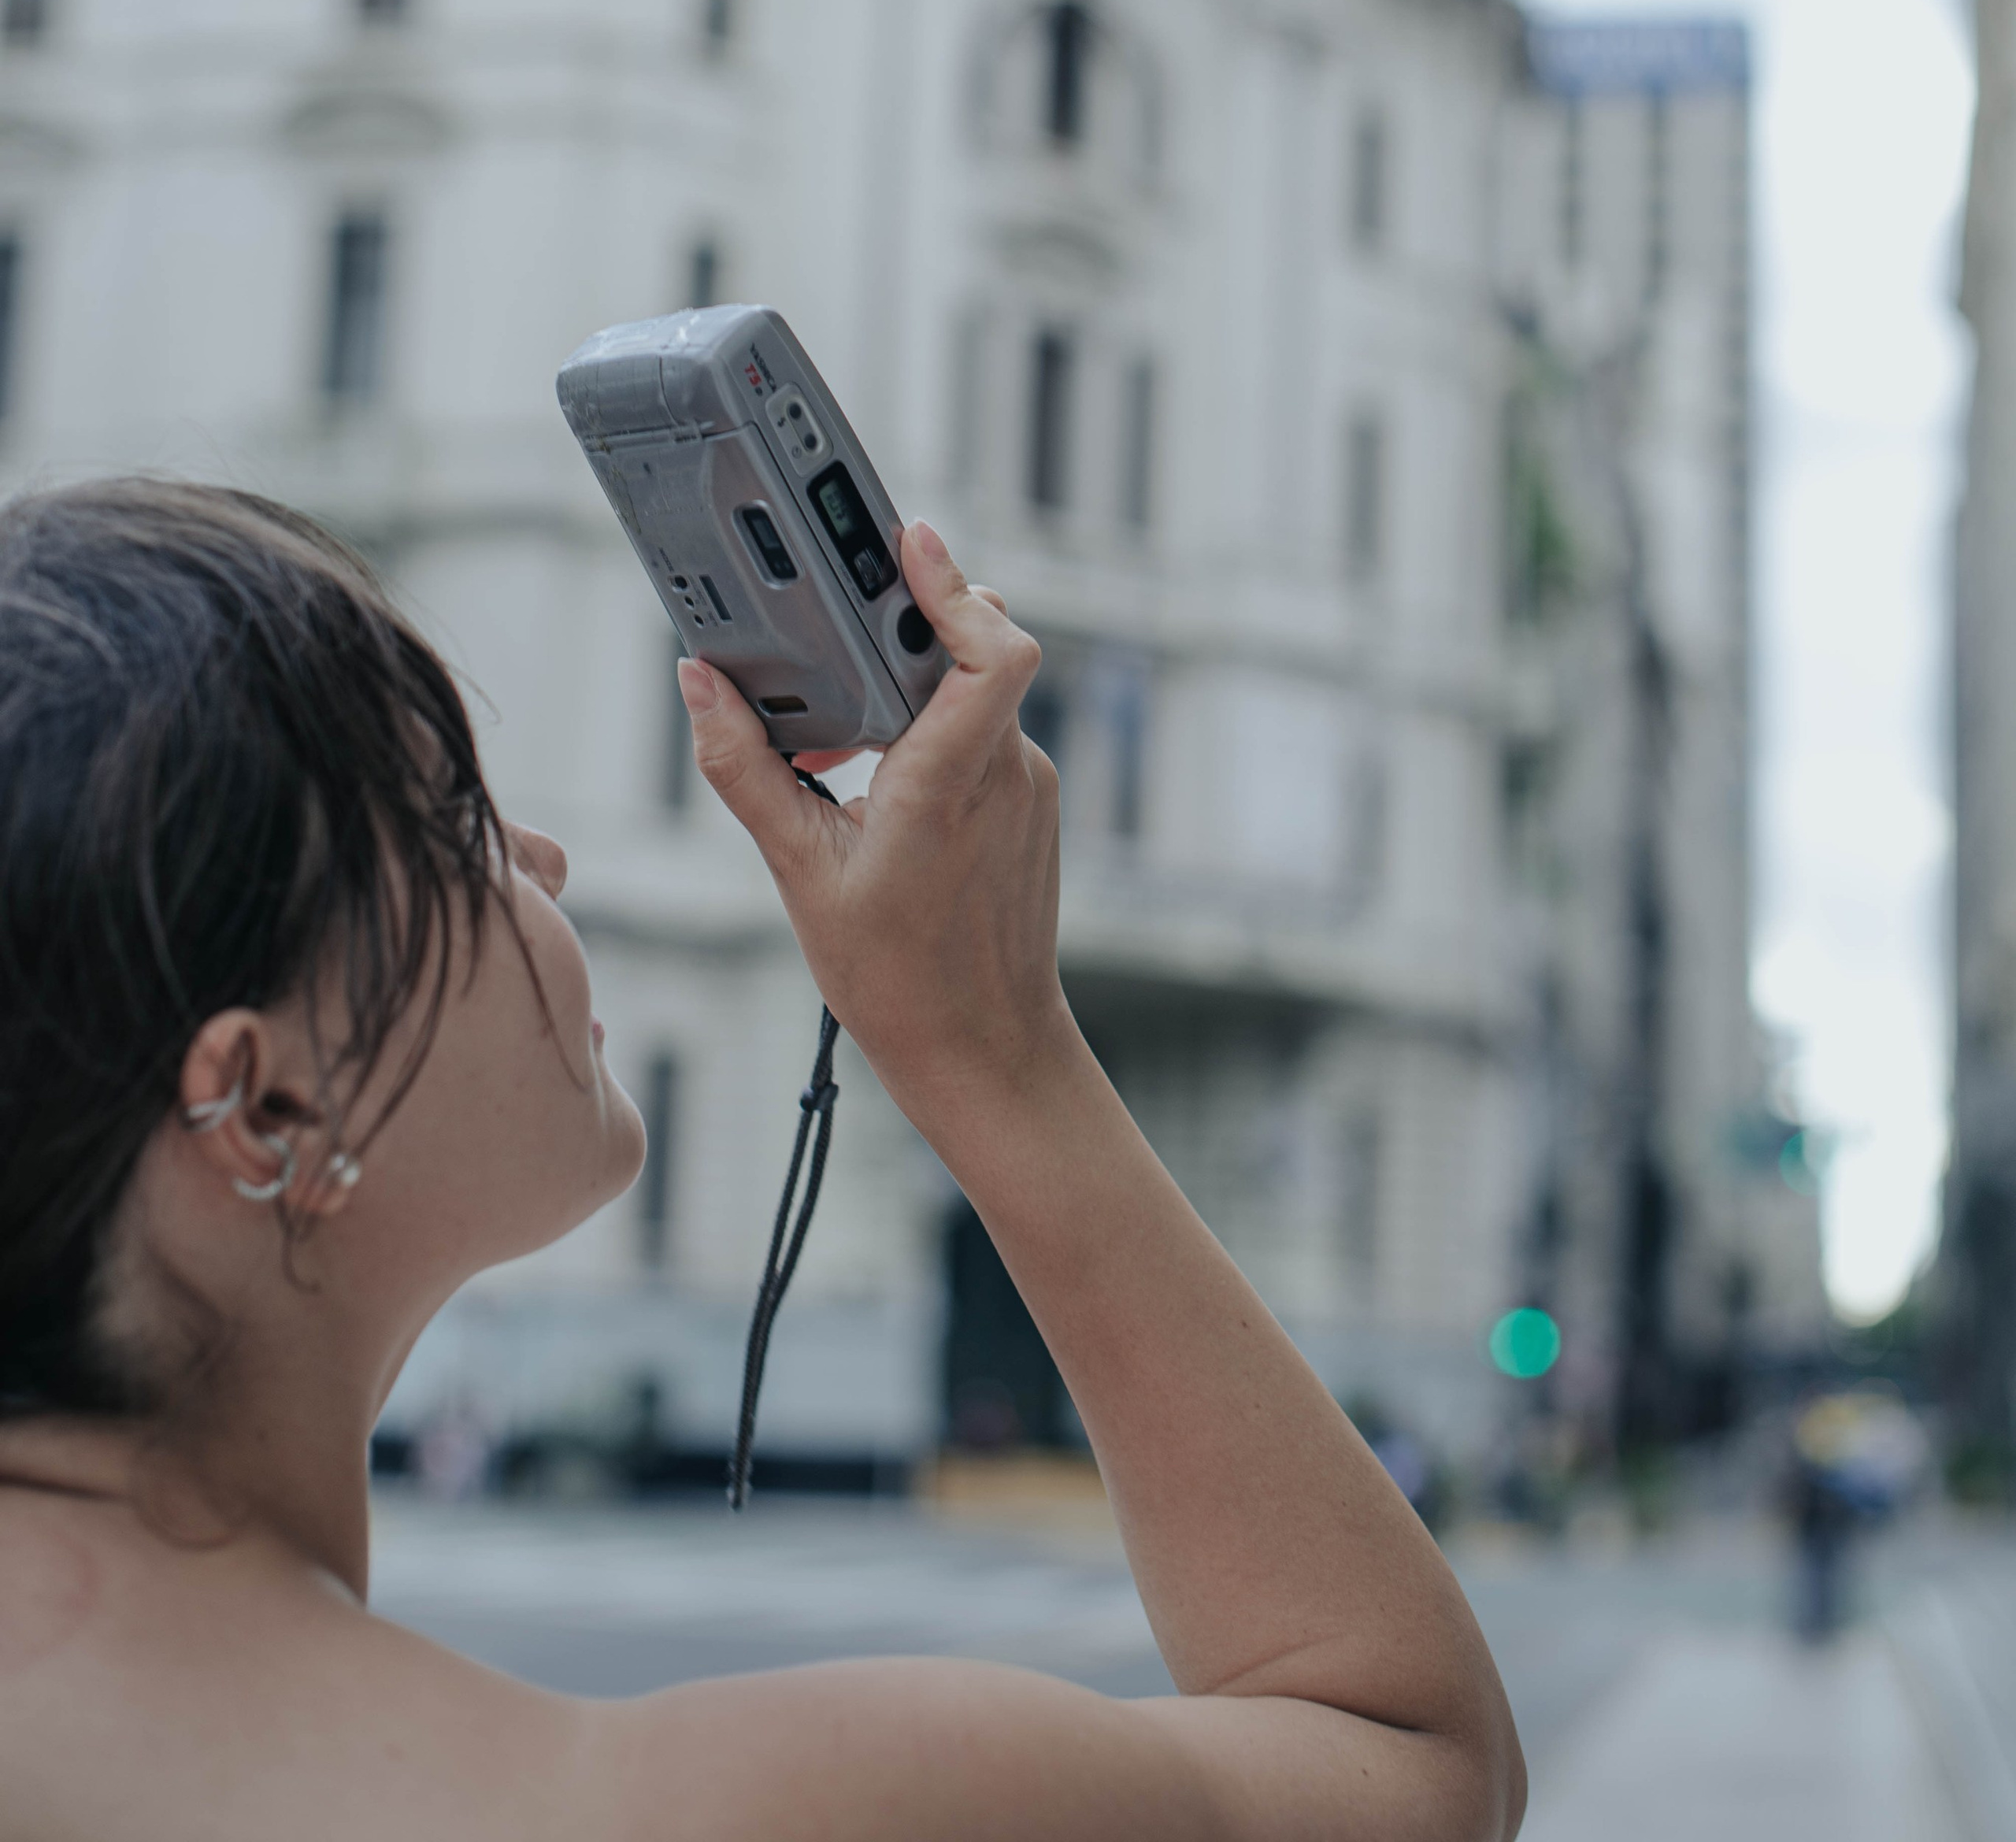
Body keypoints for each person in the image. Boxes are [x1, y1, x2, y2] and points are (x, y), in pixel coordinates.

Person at [0, 478, 1526, 1842]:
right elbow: (1411, 1757)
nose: (541, 857)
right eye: (453, 821)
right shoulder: (713, 1809)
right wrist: (994, 1049)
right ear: (265, 1107)